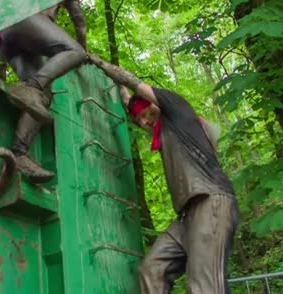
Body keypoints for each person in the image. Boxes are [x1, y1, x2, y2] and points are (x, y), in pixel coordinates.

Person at [88, 55, 239, 293]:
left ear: (155, 103)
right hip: (187, 215)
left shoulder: (176, 108)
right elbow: (132, 104)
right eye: (140, 119)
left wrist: (101, 64)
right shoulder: (160, 130)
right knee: (152, 269)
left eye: (147, 114)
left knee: (204, 286)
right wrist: (119, 92)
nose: (145, 122)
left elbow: (134, 83)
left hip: (211, 202)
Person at [0, 0, 87, 182]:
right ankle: (30, 86)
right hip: (26, 19)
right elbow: (78, 18)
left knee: (42, 95)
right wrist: (83, 47)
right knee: (76, 51)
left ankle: (19, 154)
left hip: (5, 35)